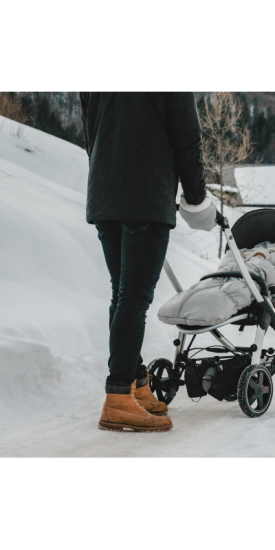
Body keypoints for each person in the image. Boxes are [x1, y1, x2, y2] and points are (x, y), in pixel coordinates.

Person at [80, 92, 216, 432]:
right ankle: (117, 398)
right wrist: (197, 199)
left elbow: (89, 130)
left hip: (105, 191)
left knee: (122, 293)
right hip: (145, 192)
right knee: (133, 297)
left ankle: (136, 383)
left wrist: (105, 172)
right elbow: (187, 137)